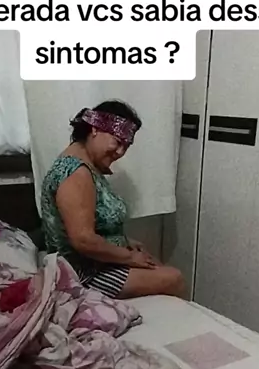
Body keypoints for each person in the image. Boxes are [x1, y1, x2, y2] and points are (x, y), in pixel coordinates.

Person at [40, 99, 186, 300]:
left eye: (126, 146)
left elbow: (93, 226)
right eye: (118, 142)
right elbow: (83, 240)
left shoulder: (87, 165)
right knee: (175, 279)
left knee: (156, 265)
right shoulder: (76, 173)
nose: (120, 152)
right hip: (82, 273)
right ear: (94, 129)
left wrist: (125, 242)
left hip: (97, 263)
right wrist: (129, 257)